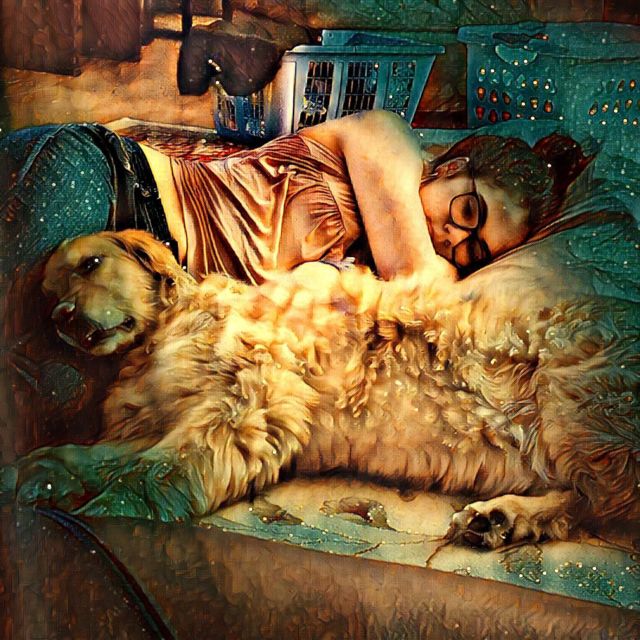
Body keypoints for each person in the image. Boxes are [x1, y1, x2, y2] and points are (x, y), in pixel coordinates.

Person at [0, 110, 591, 458]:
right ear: (454, 166)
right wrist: (455, 274)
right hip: (113, 184)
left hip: (140, 294)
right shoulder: (389, 139)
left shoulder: (361, 273)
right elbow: (420, 279)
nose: (452, 240)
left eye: (474, 251)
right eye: (466, 212)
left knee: (44, 412)